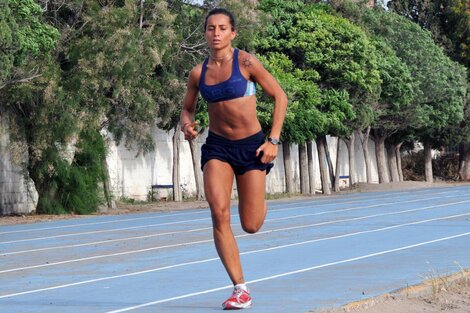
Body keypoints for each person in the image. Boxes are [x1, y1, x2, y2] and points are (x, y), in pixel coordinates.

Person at [179, 7, 287, 310]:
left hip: (252, 147)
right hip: (217, 148)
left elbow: (280, 96)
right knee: (219, 212)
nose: (216, 33)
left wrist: (273, 140)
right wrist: (187, 124)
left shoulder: (247, 62)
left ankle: (259, 197)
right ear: (205, 33)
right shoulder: (198, 73)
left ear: (233, 33)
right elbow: (186, 109)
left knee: (251, 225)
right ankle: (240, 288)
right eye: (211, 28)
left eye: (222, 28)